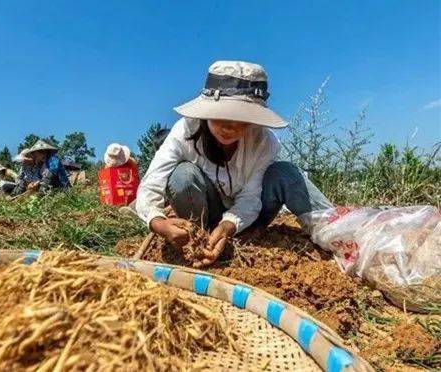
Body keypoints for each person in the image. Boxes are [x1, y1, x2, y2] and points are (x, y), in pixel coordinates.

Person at [135, 61, 333, 267]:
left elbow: (251, 197)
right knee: (183, 175)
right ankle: (200, 240)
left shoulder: (264, 142)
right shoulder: (185, 131)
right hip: (204, 213)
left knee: (286, 173)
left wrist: (229, 225)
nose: (231, 127)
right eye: (222, 116)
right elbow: (151, 184)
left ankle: (341, 235)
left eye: (242, 120)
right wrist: (157, 222)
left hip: (248, 219)